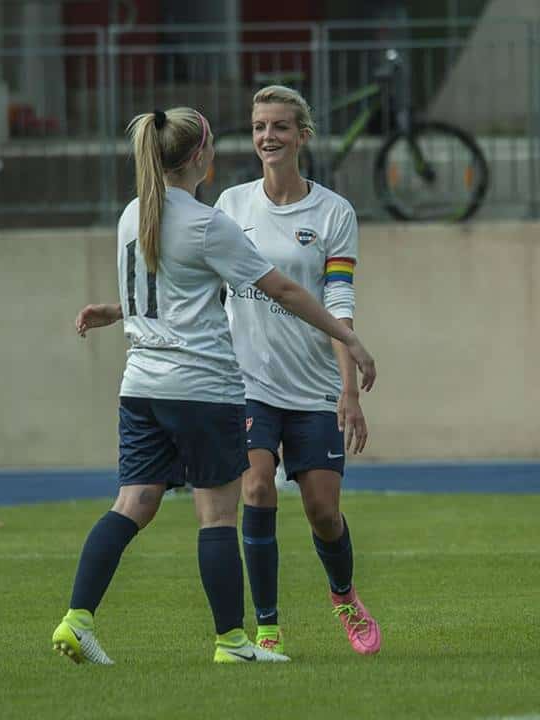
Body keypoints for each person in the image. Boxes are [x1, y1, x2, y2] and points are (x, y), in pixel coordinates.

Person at [53, 106, 376, 665]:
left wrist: (117, 311)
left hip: (141, 386)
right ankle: (233, 641)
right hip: (202, 388)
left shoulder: (134, 212)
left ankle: (76, 619)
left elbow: (169, 289)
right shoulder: (209, 221)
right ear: (201, 156)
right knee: (220, 515)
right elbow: (284, 290)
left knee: (132, 503)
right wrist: (350, 338)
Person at [215, 85, 381, 657]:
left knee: (323, 512)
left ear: (302, 136)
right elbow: (200, 284)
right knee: (257, 487)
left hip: (312, 388)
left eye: (280, 126)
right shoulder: (230, 206)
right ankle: (266, 627)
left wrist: (349, 389)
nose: (268, 136)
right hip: (247, 384)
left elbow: (338, 300)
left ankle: (344, 596)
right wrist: (125, 311)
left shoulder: (334, 212)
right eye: (259, 126)